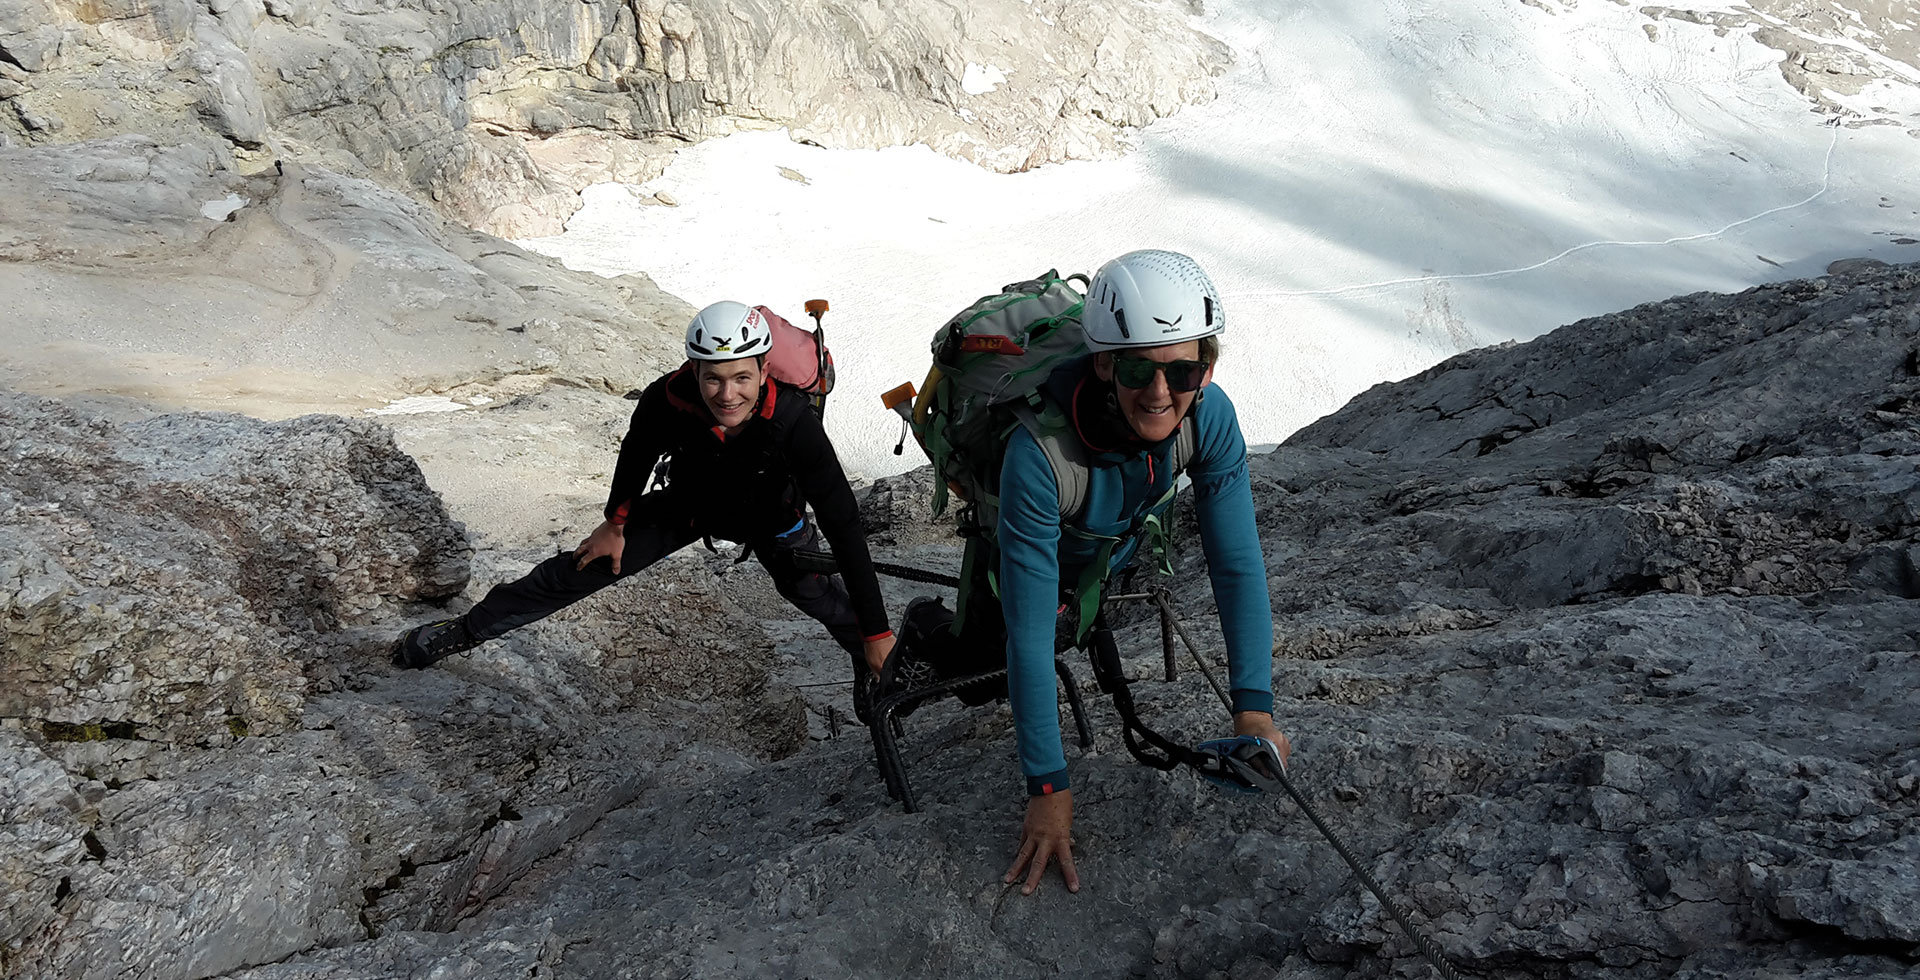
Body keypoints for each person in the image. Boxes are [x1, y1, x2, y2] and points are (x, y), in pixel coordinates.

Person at [922, 250, 1292, 896]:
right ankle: (924, 630)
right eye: (1135, 369)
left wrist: (1253, 715)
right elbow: (1029, 636)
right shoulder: (1040, 454)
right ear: (1102, 363)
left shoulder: (1210, 414)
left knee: (1061, 633)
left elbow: (1236, 564)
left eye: (1183, 372)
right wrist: (1047, 788)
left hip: (1102, 546)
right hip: (1031, 548)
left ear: (1206, 370)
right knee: (980, 677)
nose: (1159, 393)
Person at [392, 301, 896, 709]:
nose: (727, 394)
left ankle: (875, 665)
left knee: (825, 603)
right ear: (693, 370)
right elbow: (637, 450)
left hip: (775, 521)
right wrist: (615, 521)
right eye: (713, 378)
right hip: (691, 507)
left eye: (742, 378)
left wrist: (877, 630)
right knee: (580, 569)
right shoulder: (669, 399)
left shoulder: (793, 422)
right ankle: (464, 630)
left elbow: (843, 523)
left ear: (765, 369)